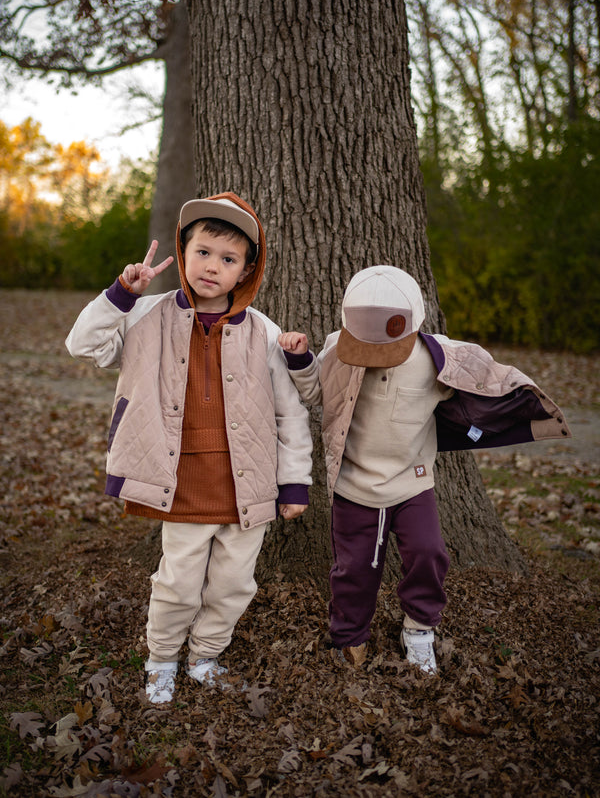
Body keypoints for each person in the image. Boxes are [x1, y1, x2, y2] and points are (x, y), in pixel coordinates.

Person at [66, 192, 312, 703]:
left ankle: (204, 657)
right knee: (178, 581)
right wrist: (120, 295)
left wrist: (294, 483)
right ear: (183, 254)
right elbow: (83, 346)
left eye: (228, 259)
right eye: (203, 252)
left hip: (250, 482)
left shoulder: (262, 330)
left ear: (245, 272)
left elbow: (291, 412)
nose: (212, 267)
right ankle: (161, 660)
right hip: (178, 480)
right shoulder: (146, 314)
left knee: (233, 584)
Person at [278, 265, 570, 675]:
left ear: (414, 319)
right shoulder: (339, 348)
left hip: (413, 483)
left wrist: (522, 403)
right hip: (354, 486)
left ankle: (418, 629)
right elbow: (315, 392)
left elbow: (484, 381)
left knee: (428, 556)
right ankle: (349, 636)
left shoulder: (437, 357)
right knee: (354, 569)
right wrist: (299, 359)